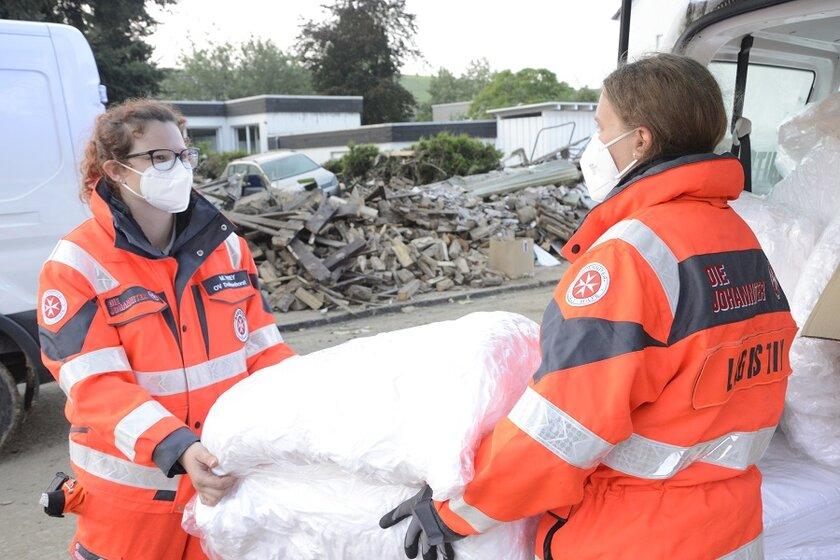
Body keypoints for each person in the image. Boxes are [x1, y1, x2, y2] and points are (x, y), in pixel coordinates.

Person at [381, 53, 797, 559]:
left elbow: (565, 424)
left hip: (637, 536)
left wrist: (457, 508)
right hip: (729, 530)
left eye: (602, 129)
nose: (594, 146)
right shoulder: (739, 240)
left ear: (640, 139)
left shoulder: (631, 256)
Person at [37, 99, 295, 560]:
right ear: (116, 170)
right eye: (158, 158)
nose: (177, 167)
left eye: (183, 155)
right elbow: (95, 386)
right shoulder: (77, 264)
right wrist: (178, 448)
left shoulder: (229, 248)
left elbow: (263, 353)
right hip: (131, 505)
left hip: (222, 484)